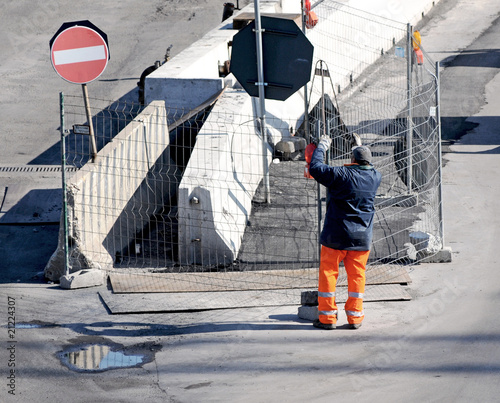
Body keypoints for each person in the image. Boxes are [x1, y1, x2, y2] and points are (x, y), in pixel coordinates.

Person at [308, 135, 381, 330]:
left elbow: (315, 168)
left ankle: (327, 318)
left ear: (353, 160)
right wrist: (359, 147)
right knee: (357, 276)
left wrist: (322, 146)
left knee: (329, 274)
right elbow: (364, 166)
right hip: (361, 238)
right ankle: (355, 318)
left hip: (336, 235)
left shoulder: (340, 175)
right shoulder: (375, 177)